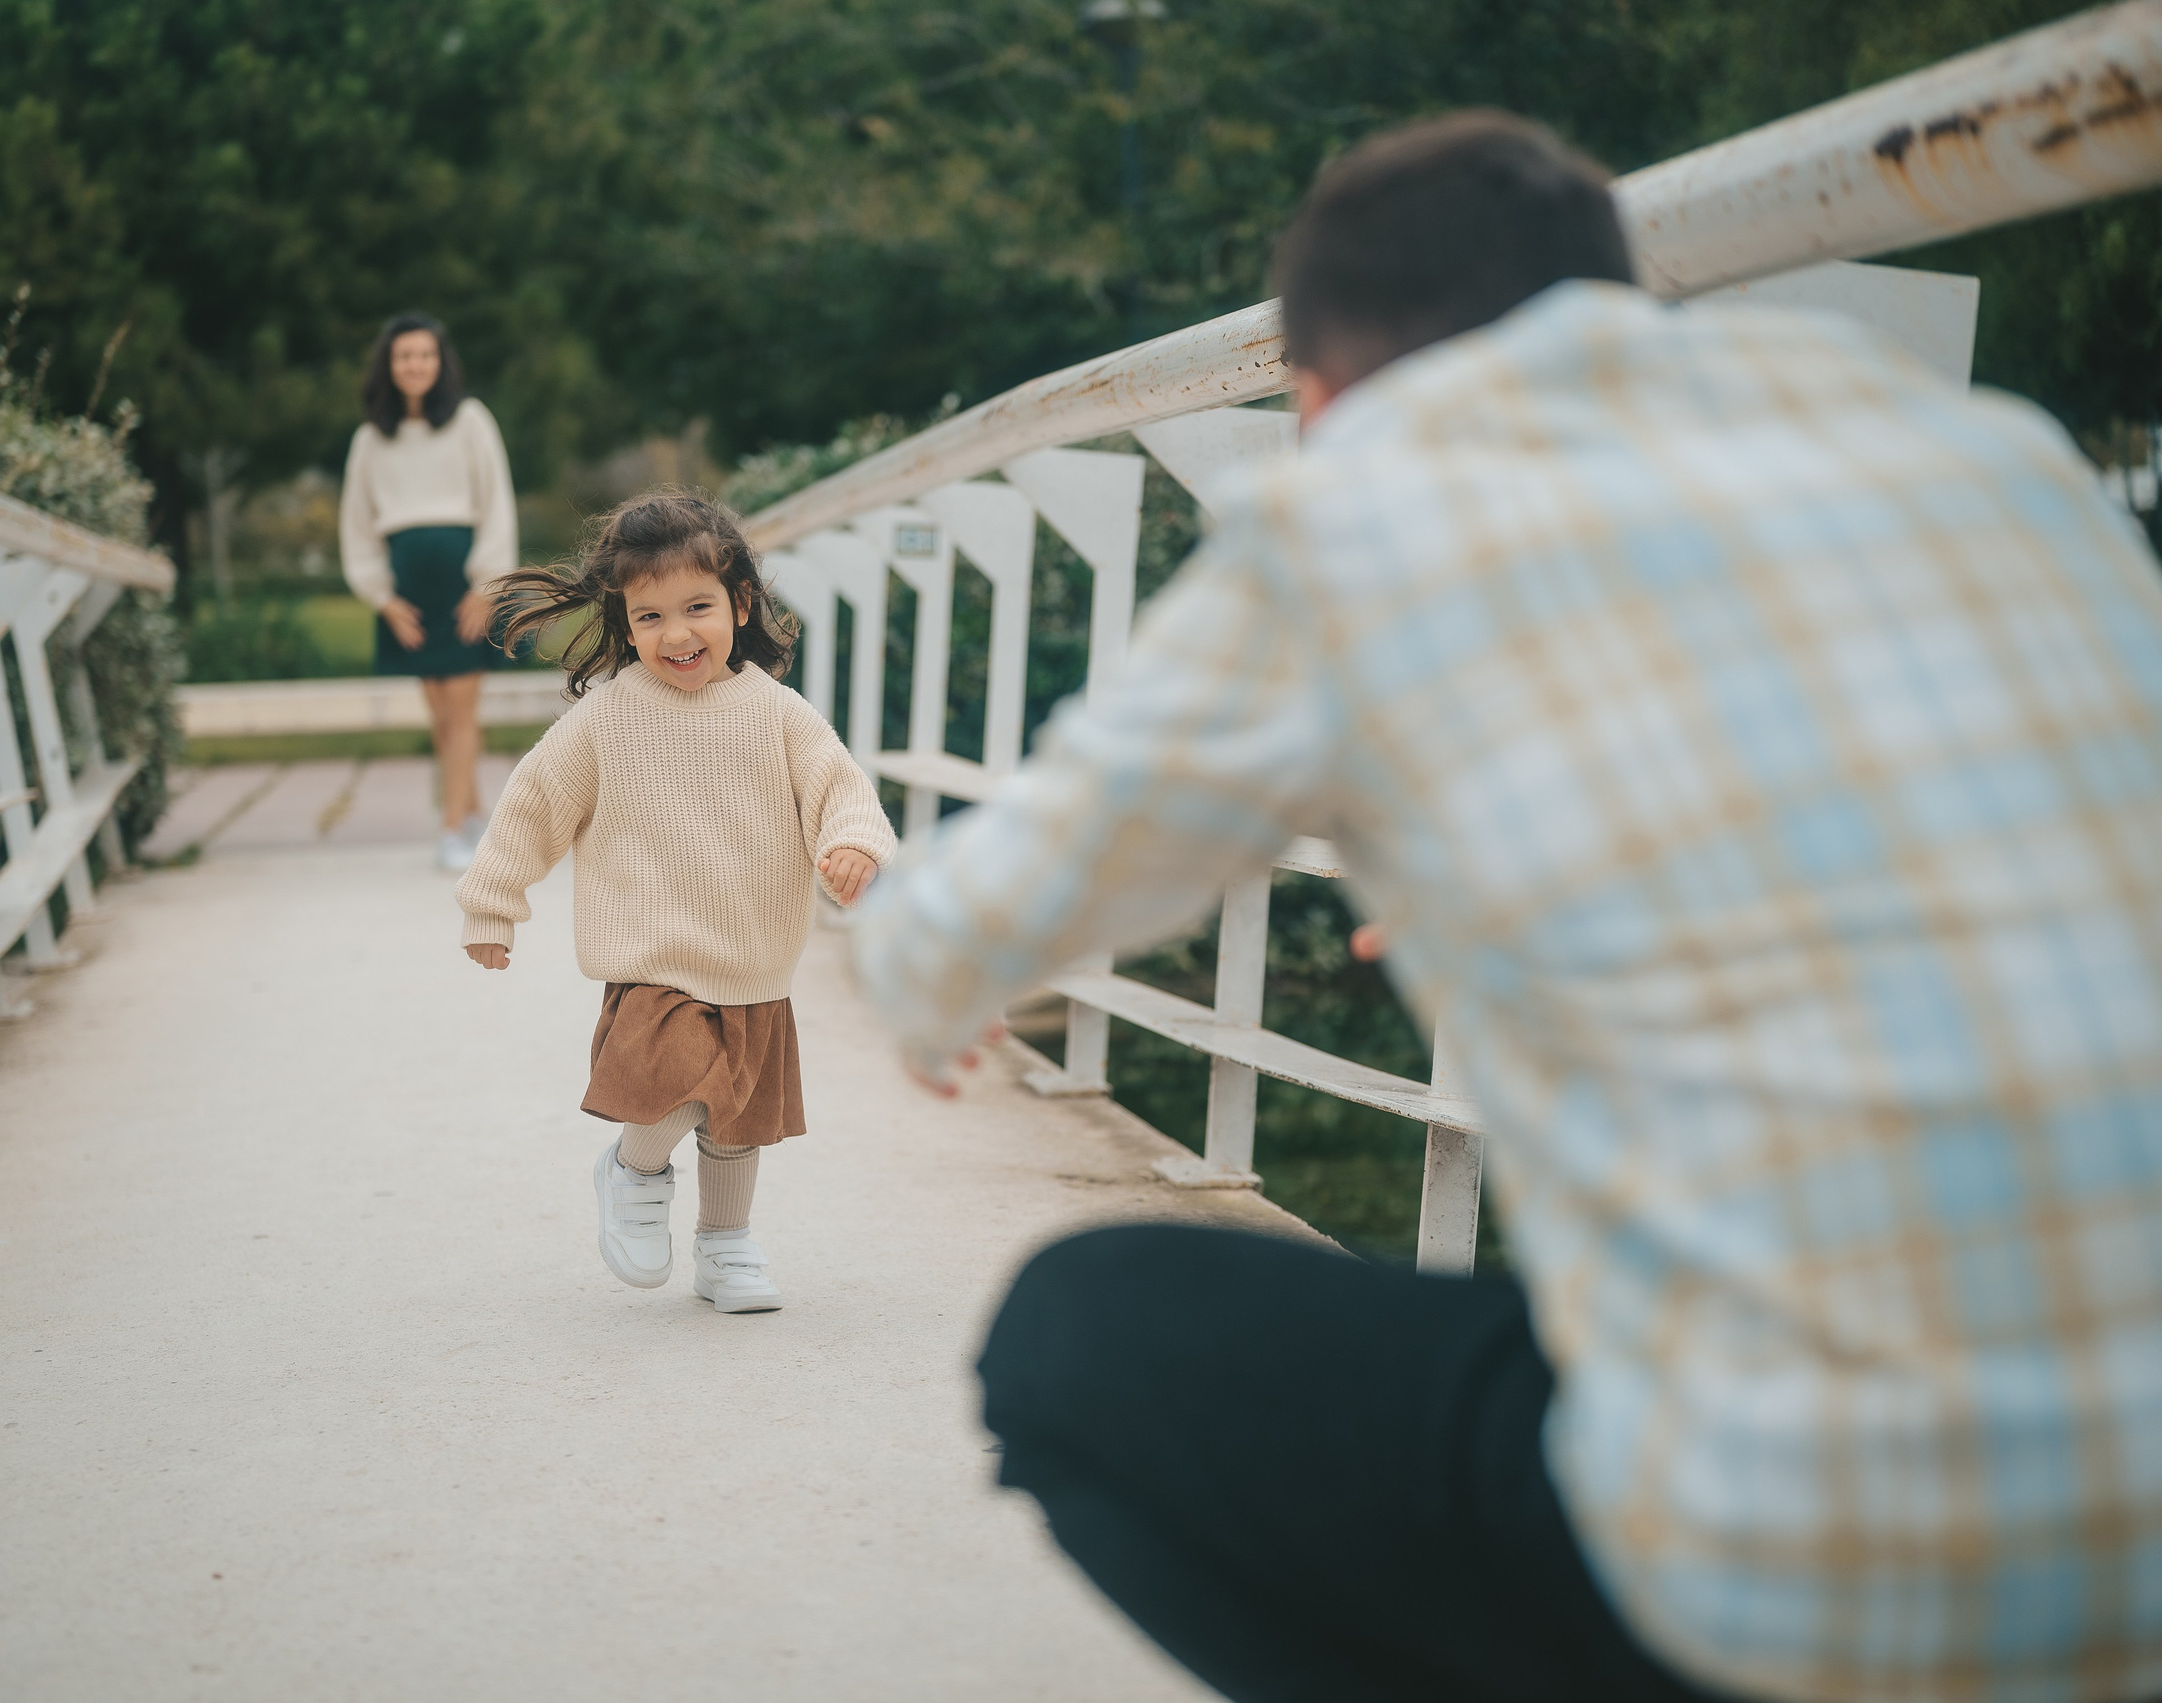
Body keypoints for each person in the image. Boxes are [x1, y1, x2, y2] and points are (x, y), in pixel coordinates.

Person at [853, 111, 2162, 1703]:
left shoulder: (1355, 514)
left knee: (1074, 1336)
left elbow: (955, 930)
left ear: (1318, 396)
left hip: (1821, 1574)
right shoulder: (1997, 458)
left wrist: (927, 976)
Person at [455, 491, 895, 1313]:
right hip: (654, 958)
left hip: (754, 961)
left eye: (698, 607)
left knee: (737, 1122)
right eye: (650, 616)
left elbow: (840, 786)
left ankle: (725, 1245)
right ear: (625, 623)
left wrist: (854, 844)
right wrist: (493, 902)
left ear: (741, 602)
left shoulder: (775, 711)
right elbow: (533, 803)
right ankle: (635, 1168)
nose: (678, 633)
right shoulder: (608, 717)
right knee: (684, 1089)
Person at [339, 311, 520, 872]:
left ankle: (449, 831)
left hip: (464, 586)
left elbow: (497, 504)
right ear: (389, 367)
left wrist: (487, 587)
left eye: (424, 355)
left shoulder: (470, 421)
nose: (414, 365)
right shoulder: (370, 439)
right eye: (403, 356)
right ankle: (475, 816)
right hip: (409, 594)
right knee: (442, 715)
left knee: (462, 712)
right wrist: (383, 599)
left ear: (440, 364)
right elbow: (357, 524)